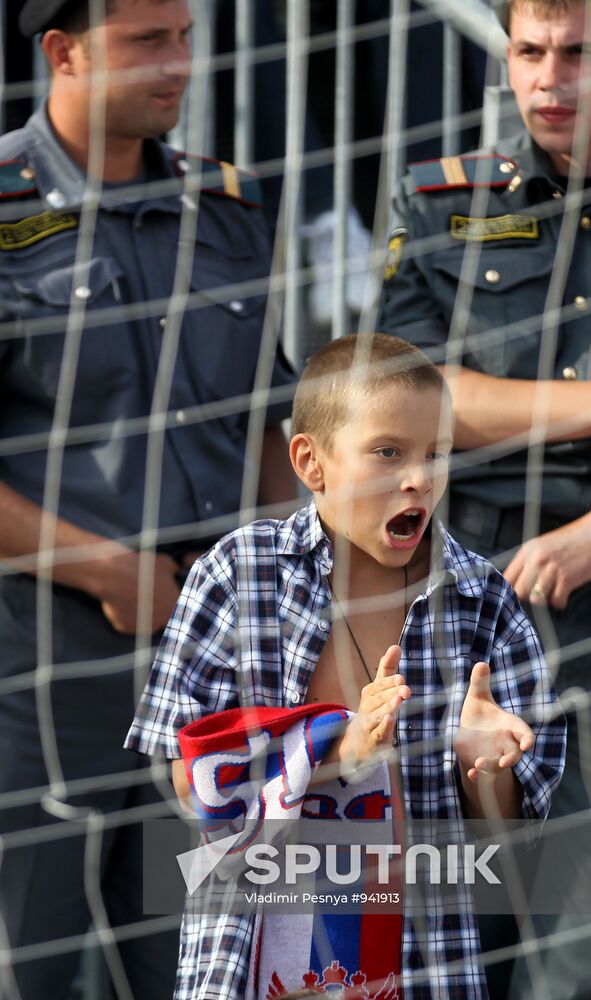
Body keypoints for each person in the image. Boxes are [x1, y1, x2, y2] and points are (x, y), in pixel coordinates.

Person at [377, 0, 591, 996]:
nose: (549, 80)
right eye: (529, 51)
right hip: (458, 616)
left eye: (577, 54)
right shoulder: (442, 201)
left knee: (589, 956)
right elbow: (408, 399)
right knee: (446, 951)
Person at [0, 0, 295, 997]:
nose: (177, 66)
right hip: (39, 659)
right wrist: (104, 569)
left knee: (201, 965)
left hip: (208, 663)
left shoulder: (231, 208)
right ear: (63, 49)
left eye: (184, 38)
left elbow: (270, 420)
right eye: (146, 43)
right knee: (29, 959)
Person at [125, 333, 567, 999]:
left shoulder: (483, 602)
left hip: (421, 964)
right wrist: (338, 747)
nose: (419, 476)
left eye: (436, 453)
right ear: (312, 462)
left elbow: (506, 847)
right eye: (388, 452)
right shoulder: (238, 573)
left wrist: (485, 770)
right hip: (251, 952)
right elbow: (191, 787)